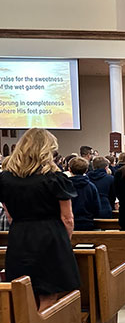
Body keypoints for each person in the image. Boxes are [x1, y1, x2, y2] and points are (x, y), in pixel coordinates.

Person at [0, 128, 79, 311]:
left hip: (20, 236)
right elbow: (67, 218)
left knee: (23, 291)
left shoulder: (6, 179)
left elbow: (9, 214)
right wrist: (64, 242)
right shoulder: (54, 178)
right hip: (50, 237)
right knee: (49, 294)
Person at [69, 157, 101, 231]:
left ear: (69, 169)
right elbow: (97, 207)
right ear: (86, 170)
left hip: (69, 222)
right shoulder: (91, 186)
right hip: (87, 222)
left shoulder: (64, 186)